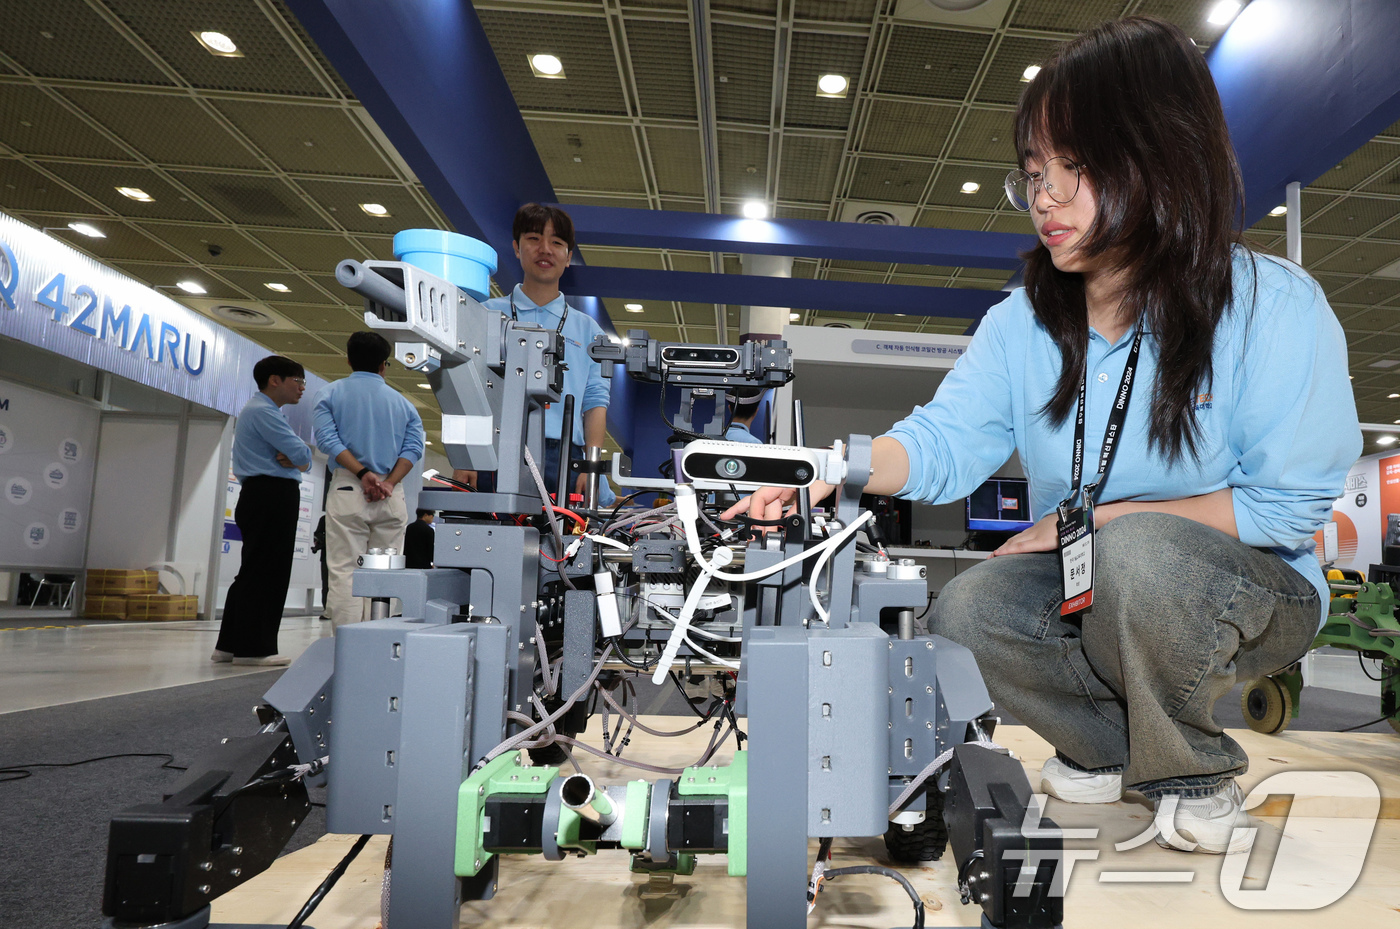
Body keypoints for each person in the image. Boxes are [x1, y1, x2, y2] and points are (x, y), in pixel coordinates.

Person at [728, 17, 1360, 855]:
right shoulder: (1024, 321)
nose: (1046, 198)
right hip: (1096, 580)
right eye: (1032, 174)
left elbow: (1286, 508)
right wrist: (829, 469)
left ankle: (1194, 770)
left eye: (1076, 169)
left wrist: (1099, 521)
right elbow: (946, 440)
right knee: (968, 608)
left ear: (1161, 157)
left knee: (1139, 556)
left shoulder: (1273, 307)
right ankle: (1105, 747)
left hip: (1257, 584)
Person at [454, 203, 614, 505]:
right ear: (516, 248)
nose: (545, 249)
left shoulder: (588, 330)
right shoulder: (485, 315)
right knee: (493, 542)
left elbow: (595, 402)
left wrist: (591, 465)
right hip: (493, 449)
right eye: (533, 239)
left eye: (557, 243)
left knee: (562, 547)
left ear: (568, 258)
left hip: (564, 454)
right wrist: (465, 454)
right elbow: (466, 387)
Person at [314, 331, 425, 627]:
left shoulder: (330, 394)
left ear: (348, 360)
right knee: (385, 576)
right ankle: (378, 643)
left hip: (349, 488)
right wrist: (387, 482)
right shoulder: (404, 405)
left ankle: (348, 651)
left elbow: (328, 440)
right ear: (384, 365)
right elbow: (413, 449)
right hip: (392, 496)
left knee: (345, 572)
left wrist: (364, 475)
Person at [213, 355, 312, 667]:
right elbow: (300, 453)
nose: (302, 388)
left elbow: (297, 455)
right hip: (272, 493)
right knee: (270, 572)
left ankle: (229, 644)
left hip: (259, 494)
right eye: (298, 381)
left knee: (253, 571)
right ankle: (254, 648)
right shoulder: (265, 412)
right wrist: (300, 457)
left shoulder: (259, 410)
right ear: (275, 380)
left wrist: (298, 457)